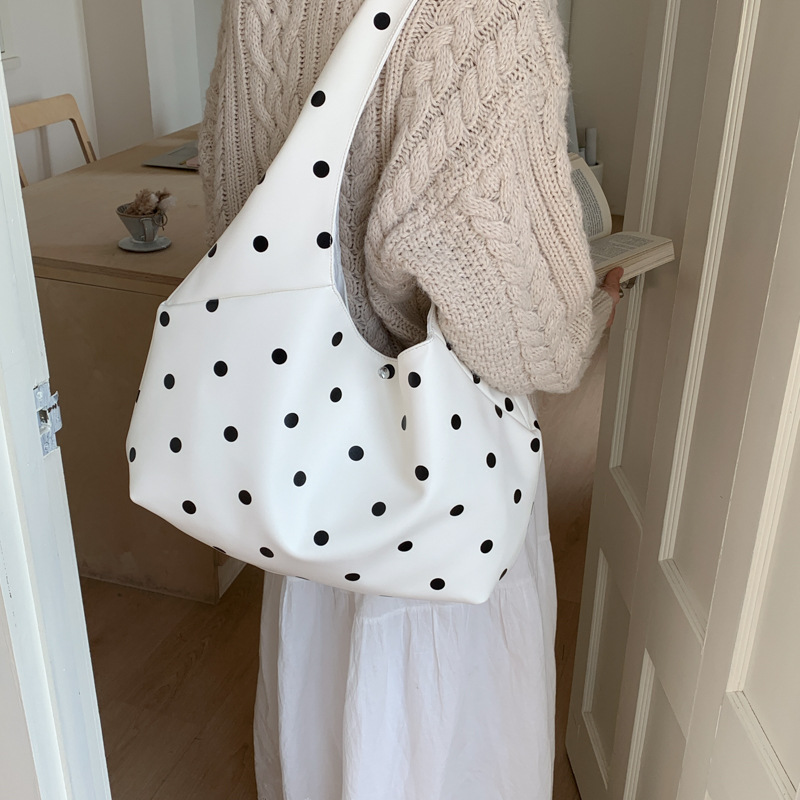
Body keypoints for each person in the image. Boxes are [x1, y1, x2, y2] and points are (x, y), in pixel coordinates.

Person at [199, 0, 623, 796]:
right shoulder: (491, 15)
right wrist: (589, 310)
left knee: (322, 726)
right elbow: (529, 340)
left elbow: (233, 212)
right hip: (440, 488)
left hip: (307, 464)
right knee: (437, 743)